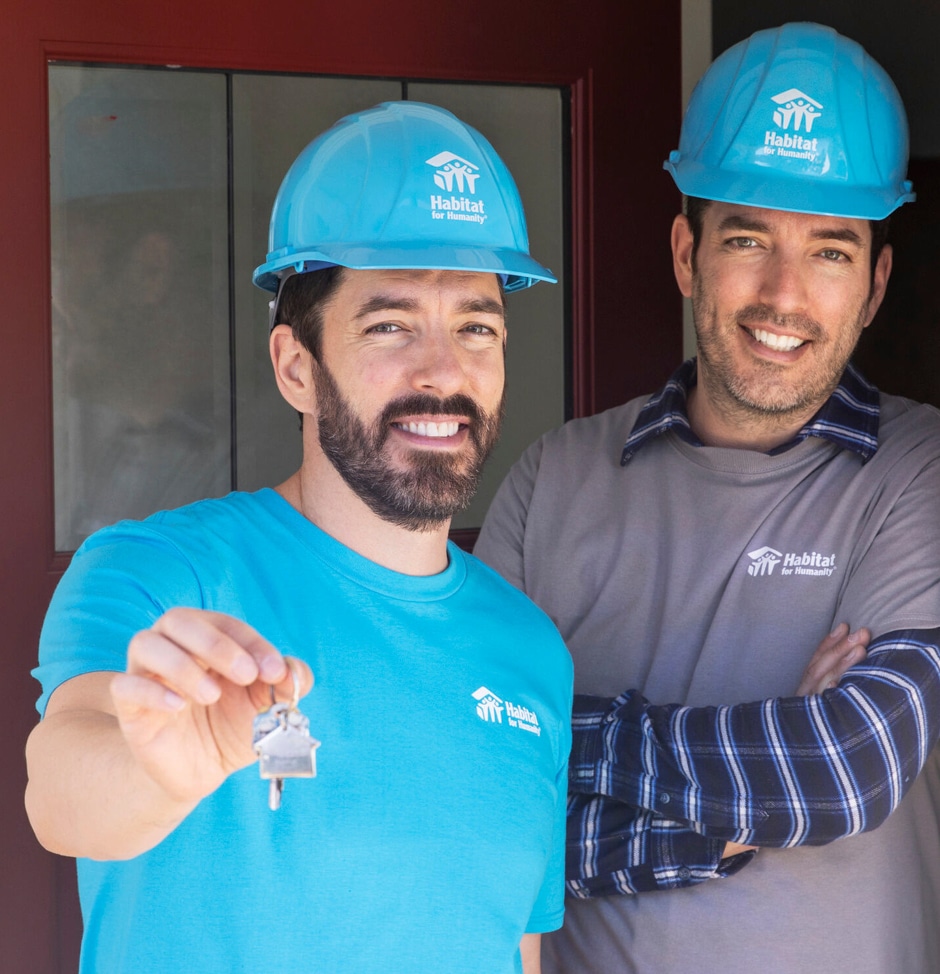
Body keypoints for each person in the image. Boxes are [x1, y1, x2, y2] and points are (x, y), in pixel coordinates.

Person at [26, 101, 573, 974]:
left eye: (476, 326)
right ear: (295, 367)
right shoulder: (161, 573)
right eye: (390, 325)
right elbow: (61, 796)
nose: (443, 370)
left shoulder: (530, 651)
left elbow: (515, 946)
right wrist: (164, 770)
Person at [476, 22, 940, 974]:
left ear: (877, 284)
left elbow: (844, 770)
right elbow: (477, 798)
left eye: (831, 251)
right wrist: (723, 826)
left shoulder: (921, 469)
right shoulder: (554, 477)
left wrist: (567, 733)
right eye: (747, 238)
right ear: (688, 255)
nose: (783, 294)